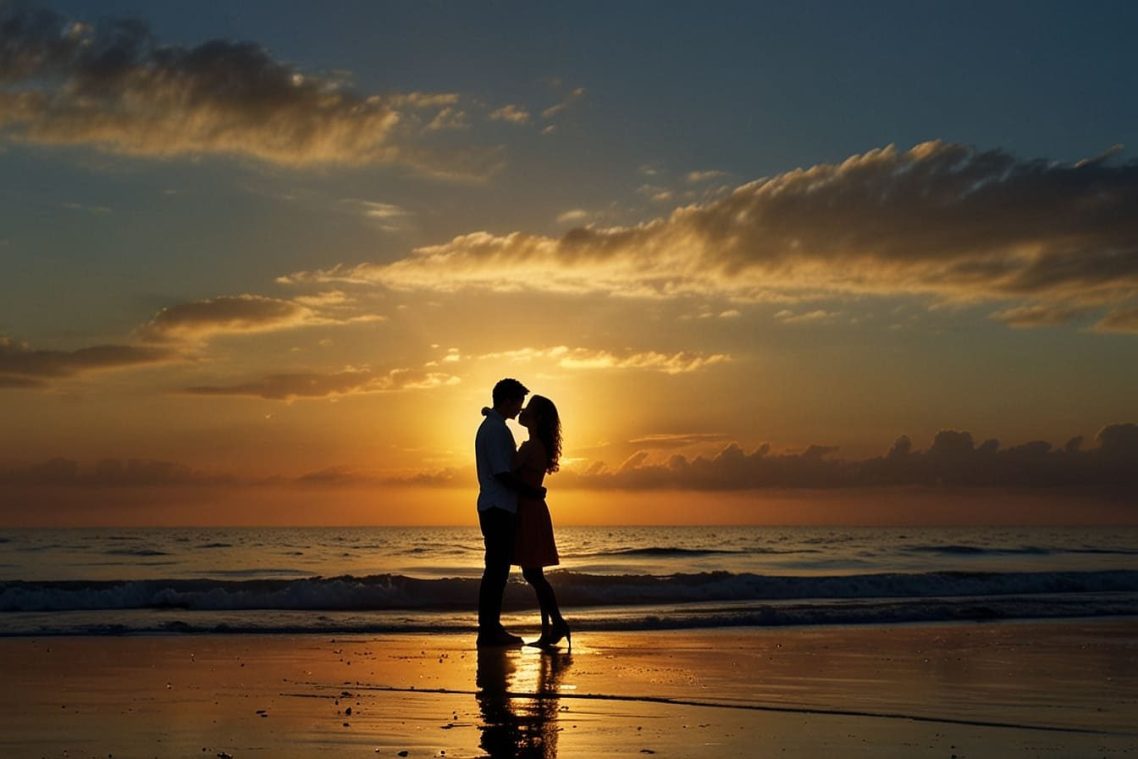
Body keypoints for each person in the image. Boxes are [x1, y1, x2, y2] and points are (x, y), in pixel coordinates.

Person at [475, 378, 547, 648]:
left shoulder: (495, 426)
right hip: (497, 507)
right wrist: (532, 492)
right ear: (508, 400)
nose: (520, 409)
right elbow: (502, 473)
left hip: (498, 506)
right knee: (496, 571)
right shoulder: (494, 430)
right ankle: (489, 630)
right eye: (518, 403)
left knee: (497, 570)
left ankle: (491, 628)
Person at [512, 395, 571, 650]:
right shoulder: (537, 445)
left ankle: (555, 624)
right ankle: (550, 629)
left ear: (537, 418)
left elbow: (508, 469)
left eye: (529, 409)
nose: (523, 410)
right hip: (532, 509)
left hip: (529, 512)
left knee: (533, 574)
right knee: (534, 574)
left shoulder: (532, 447)